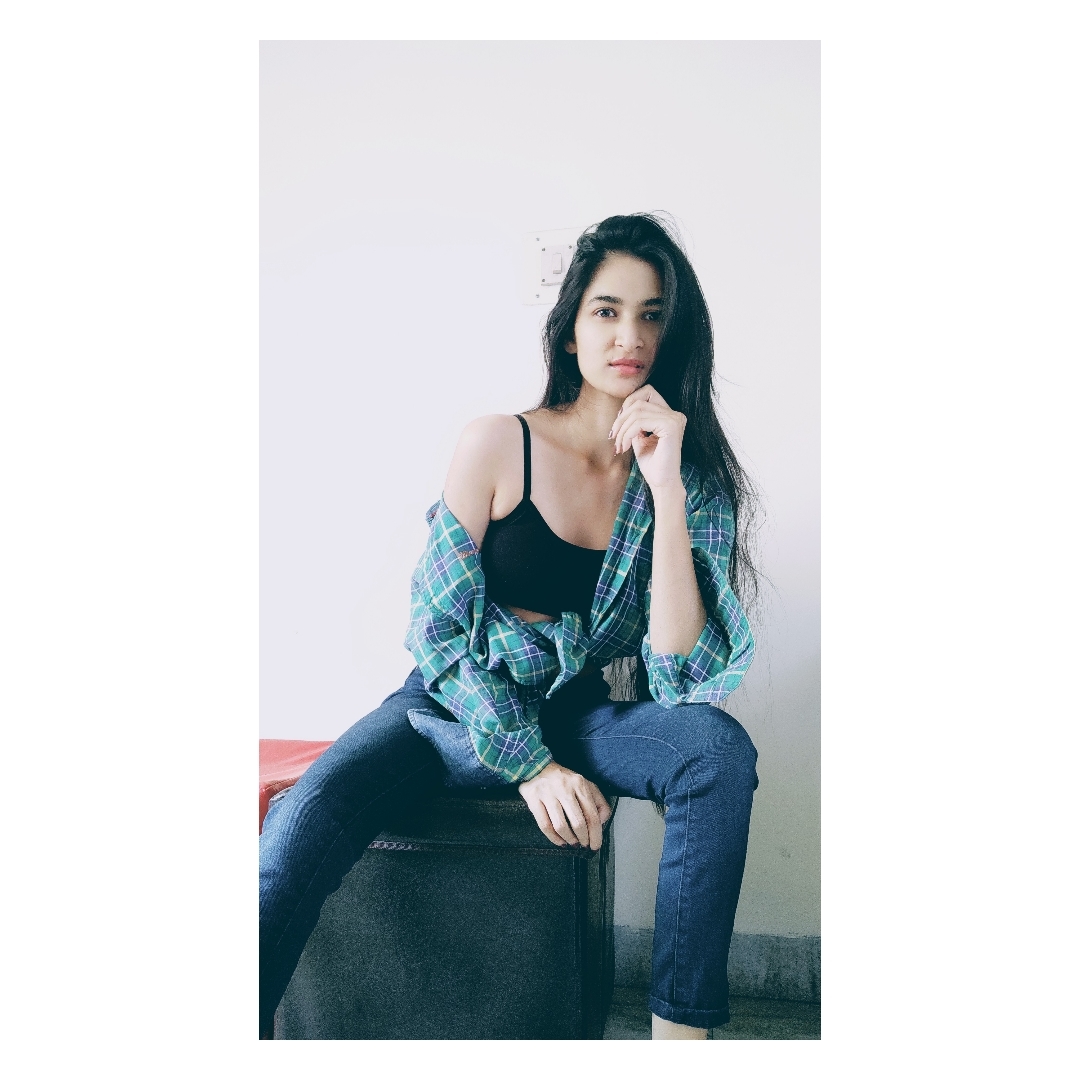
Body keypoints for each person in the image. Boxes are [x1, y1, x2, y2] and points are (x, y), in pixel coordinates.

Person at [260, 212, 760, 1040]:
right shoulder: (498, 443)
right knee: (301, 824)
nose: (629, 336)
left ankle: (680, 1047)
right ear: (570, 329)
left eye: (651, 314)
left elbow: (680, 678)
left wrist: (667, 488)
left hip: (577, 712)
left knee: (716, 751)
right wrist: (529, 763)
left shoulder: (686, 480)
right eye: (607, 310)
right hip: (447, 710)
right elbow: (437, 632)